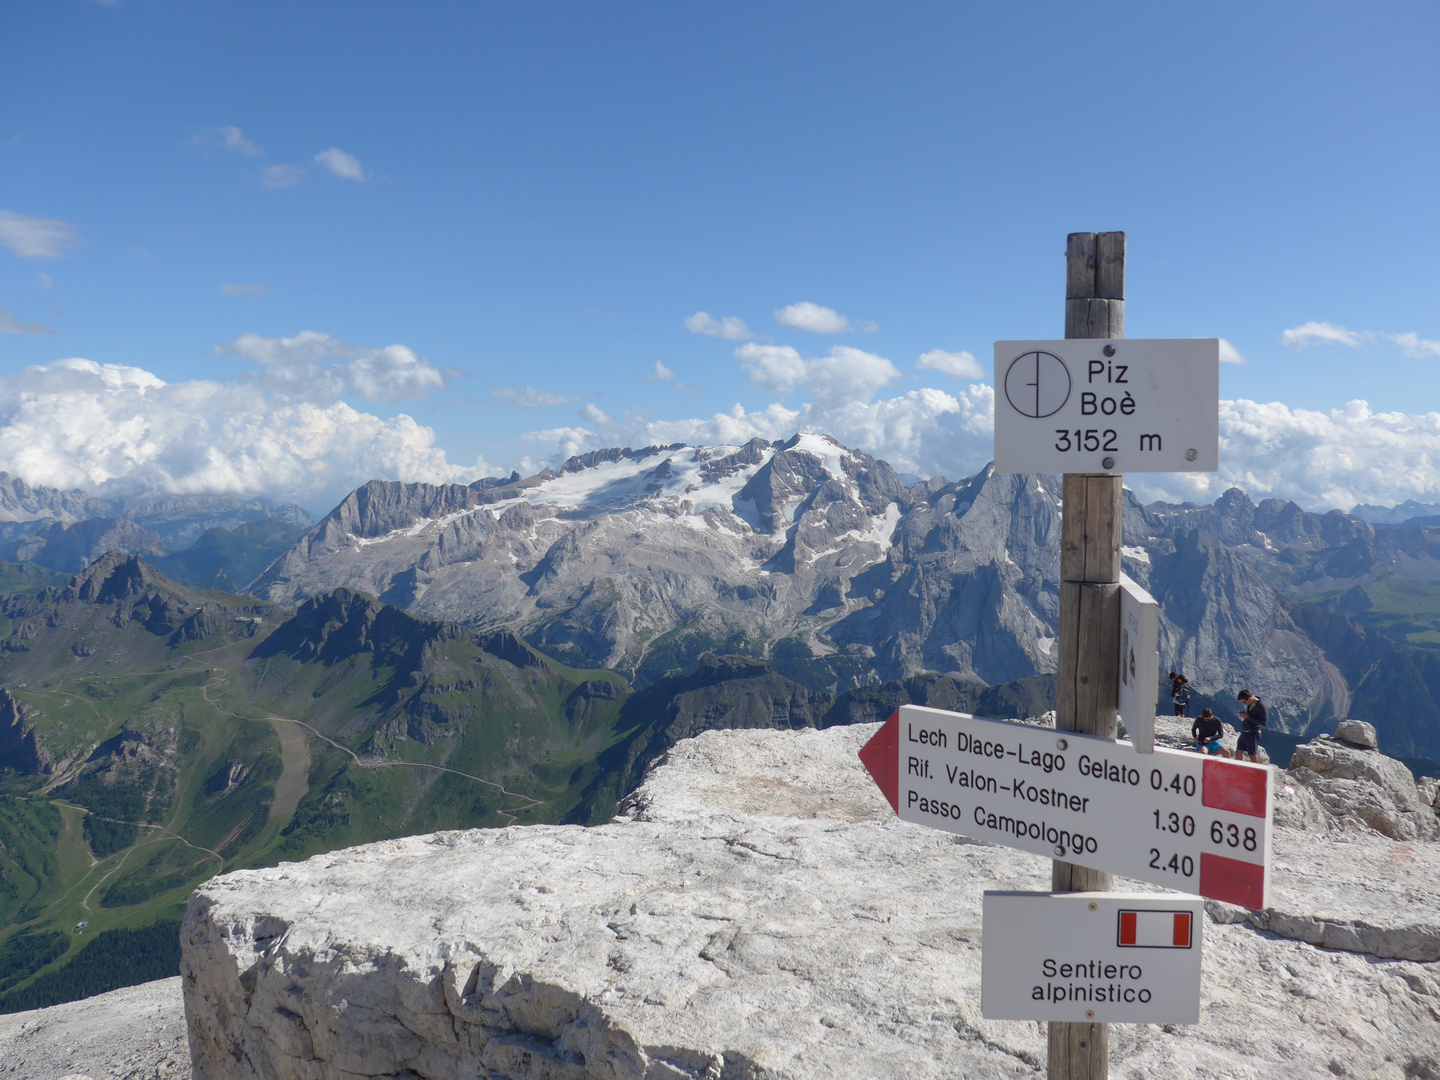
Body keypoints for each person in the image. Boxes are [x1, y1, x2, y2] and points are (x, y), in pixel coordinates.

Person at [1235, 690, 1267, 763]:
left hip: (1253, 733)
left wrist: (1248, 716)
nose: (1244, 704)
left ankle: (1256, 772)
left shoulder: (1261, 706)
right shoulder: (1250, 704)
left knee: (1252, 754)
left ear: (1249, 699)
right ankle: (1237, 769)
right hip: (1245, 732)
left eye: (1244, 702)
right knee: (1238, 752)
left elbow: (1263, 722)